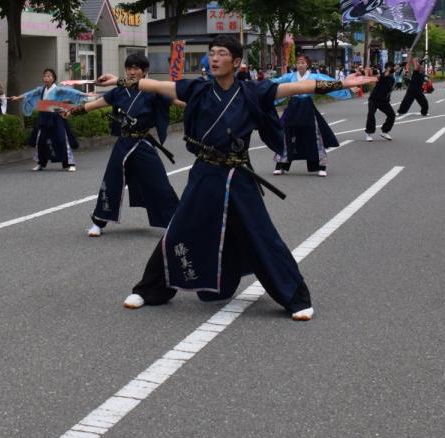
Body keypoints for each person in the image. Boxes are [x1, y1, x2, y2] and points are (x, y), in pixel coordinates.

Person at [97, 35, 374, 321]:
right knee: (179, 228)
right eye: (211, 53)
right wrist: (119, 81)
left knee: (262, 234)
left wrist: (342, 83)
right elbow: (155, 85)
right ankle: (150, 289)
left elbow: (299, 86)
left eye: (221, 54)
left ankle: (295, 296)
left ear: (237, 61)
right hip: (204, 172)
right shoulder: (199, 89)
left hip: (237, 174)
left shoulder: (252, 92)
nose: (214, 59)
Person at [69, 52, 179, 237]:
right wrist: (74, 111)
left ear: (145, 72)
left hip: (143, 143)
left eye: (136, 68)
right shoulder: (119, 91)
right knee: (111, 181)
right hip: (123, 143)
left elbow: (175, 100)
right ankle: (98, 222)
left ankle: (174, 222)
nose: (132, 71)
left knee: (159, 183)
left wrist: (195, 102)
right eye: (129, 68)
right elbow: (97, 104)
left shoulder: (152, 91)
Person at [271, 54, 344, 177]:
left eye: (302, 63)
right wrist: (256, 85)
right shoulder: (290, 76)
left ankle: (321, 166)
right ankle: (281, 165)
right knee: (286, 135)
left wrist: (348, 87)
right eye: (298, 63)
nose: (300, 65)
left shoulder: (315, 77)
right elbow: (275, 83)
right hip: (293, 107)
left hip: (307, 107)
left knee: (315, 136)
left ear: (307, 64)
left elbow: (329, 83)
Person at [11, 68, 90, 172]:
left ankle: (70, 163)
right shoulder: (41, 89)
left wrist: (84, 94)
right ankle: (41, 163)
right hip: (43, 117)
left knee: (62, 140)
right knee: (41, 141)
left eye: (49, 76)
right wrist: (18, 97)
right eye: (45, 76)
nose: (46, 78)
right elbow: (30, 94)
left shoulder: (58, 90)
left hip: (56, 117)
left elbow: (71, 91)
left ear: (53, 78)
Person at [364, 61, 397, 141]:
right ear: (387, 68)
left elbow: (389, 91)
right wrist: (392, 69)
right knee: (371, 114)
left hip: (384, 101)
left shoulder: (392, 79)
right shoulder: (382, 75)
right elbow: (385, 75)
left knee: (392, 115)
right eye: (390, 67)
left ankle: (384, 131)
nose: (392, 69)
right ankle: (368, 133)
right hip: (374, 99)